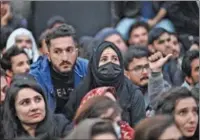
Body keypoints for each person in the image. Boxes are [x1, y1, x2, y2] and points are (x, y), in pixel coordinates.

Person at [65, 40, 145, 127]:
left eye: (114, 59)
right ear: (95, 64)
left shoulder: (133, 93)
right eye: (104, 59)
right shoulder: (80, 92)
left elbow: (139, 130)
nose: (110, 63)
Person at [30, 24, 88, 113]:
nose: (65, 58)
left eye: (69, 50)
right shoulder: (36, 77)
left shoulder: (87, 70)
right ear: (48, 56)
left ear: (76, 52)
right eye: (57, 52)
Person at [1, 74, 72, 139]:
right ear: (14, 110)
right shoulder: (5, 134)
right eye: (25, 102)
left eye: (38, 99)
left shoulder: (61, 125)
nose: (34, 107)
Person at [124, 46, 171, 112]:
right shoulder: (122, 95)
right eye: (138, 68)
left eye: (147, 66)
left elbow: (161, 107)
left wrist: (156, 71)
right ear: (126, 74)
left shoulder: (162, 86)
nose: (145, 72)